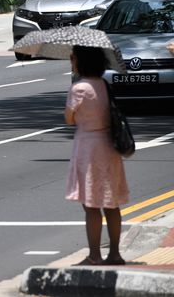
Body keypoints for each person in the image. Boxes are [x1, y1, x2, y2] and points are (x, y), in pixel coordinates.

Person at [65, 45, 129, 265]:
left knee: (91, 204)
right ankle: (115, 253)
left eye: (72, 57)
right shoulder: (103, 84)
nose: (71, 61)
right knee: (111, 202)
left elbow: (69, 118)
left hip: (88, 148)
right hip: (108, 146)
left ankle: (94, 255)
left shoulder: (78, 88)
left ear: (81, 61)